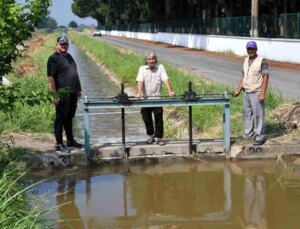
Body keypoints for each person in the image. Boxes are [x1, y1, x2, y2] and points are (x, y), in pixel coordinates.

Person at [47, 34, 83, 153]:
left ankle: (70, 141)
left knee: (69, 118)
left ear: (68, 45)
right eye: (61, 44)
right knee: (60, 118)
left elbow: (74, 73)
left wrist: (78, 89)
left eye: (65, 44)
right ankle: (59, 144)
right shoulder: (53, 58)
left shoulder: (70, 57)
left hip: (72, 93)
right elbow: (51, 78)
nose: (63, 46)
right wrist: (54, 94)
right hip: (62, 93)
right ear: (57, 45)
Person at [233, 41, 269, 146]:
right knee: (246, 114)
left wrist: (262, 93)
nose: (250, 51)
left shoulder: (262, 61)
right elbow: (244, 76)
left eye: (252, 49)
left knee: (258, 115)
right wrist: (238, 90)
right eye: (248, 49)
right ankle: (248, 134)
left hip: (257, 92)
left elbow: (266, 77)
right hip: (246, 92)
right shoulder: (245, 60)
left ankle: (260, 137)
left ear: (256, 49)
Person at [136, 50, 175, 146]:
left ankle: (159, 137)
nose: (151, 60)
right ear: (146, 61)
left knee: (158, 117)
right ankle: (150, 136)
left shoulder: (160, 67)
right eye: (149, 59)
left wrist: (170, 91)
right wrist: (139, 92)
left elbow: (165, 79)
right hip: (145, 99)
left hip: (157, 98)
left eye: (153, 58)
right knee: (146, 118)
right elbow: (140, 81)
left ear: (155, 59)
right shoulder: (142, 69)